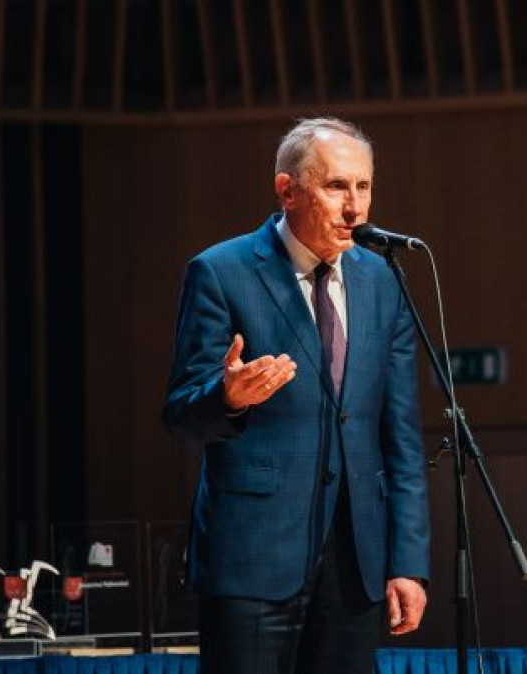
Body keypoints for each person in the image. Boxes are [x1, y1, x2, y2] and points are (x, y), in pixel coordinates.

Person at [162, 117, 430, 674]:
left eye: (363, 187)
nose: (354, 207)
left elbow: (401, 436)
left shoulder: (384, 282)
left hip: (355, 562)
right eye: (336, 187)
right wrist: (228, 397)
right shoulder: (221, 272)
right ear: (287, 191)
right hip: (252, 557)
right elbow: (182, 416)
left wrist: (407, 561)